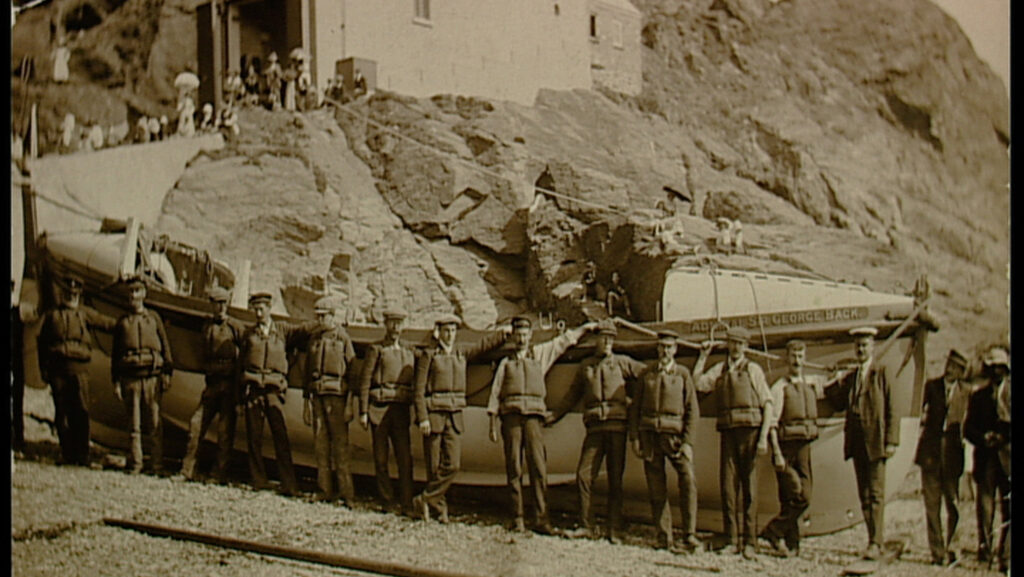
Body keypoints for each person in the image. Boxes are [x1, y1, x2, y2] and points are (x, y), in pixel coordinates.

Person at [487, 316, 596, 534]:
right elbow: (495, 394)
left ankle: (541, 519)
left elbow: (562, 343)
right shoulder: (505, 363)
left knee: (538, 467)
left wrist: (584, 328)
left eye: (525, 334)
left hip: (534, 419)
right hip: (511, 419)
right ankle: (517, 517)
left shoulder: (539, 355)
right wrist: (492, 423)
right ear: (514, 336)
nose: (522, 338)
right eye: (518, 334)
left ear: (530, 336)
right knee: (514, 468)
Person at [548, 322, 643, 542]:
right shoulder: (586, 366)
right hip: (594, 428)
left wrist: (634, 403)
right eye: (604, 339)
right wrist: (554, 416)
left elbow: (649, 375)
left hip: (617, 427)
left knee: (615, 480)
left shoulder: (622, 362)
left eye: (611, 339)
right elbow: (572, 395)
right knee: (583, 475)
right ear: (597, 340)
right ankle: (586, 525)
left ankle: (614, 528)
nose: (607, 343)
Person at [411, 314, 508, 523]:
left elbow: (482, 346)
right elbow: (418, 390)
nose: (450, 335)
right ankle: (438, 509)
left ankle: (425, 499)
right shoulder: (429, 355)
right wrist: (422, 418)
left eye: (453, 331)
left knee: (453, 465)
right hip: (434, 415)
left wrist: (503, 334)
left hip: (454, 416)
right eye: (446, 330)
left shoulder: (461, 352)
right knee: (434, 466)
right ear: (439, 332)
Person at [693, 325, 773, 559]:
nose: (736, 347)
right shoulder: (720, 369)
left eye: (740, 343)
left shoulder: (753, 370)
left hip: (750, 433)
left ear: (746, 346)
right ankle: (732, 539)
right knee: (728, 487)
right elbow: (698, 383)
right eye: (732, 343)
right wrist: (702, 356)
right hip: (729, 433)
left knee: (750, 488)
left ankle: (750, 542)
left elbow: (768, 403)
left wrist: (763, 437)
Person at [823, 326, 898, 560]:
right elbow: (837, 402)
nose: (861, 349)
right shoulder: (853, 376)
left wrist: (892, 441)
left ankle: (877, 543)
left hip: (875, 442)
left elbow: (892, 408)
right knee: (864, 494)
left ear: (872, 347)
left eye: (864, 345)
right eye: (858, 346)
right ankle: (872, 540)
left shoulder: (881, 372)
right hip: (857, 443)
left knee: (876, 493)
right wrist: (832, 380)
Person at [239, 291, 320, 496]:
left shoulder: (281, 331)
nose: (258, 313)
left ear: (269, 309)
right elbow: (241, 364)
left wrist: (321, 320)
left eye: (262, 309)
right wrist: (241, 395)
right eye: (255, 309)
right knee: (254, 438)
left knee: (281, 438)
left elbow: (302, 329)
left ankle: (288, 484)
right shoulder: (249, 335)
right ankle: (259, 480)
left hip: (274, 391)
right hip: (253, 391)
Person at [629, 329, 701, 552]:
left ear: (675, 349)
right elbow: (635, 409)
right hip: (650, 436)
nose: (665, 351)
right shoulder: (647, 375)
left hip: (675, 438)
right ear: (657, 349)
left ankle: (689, 534)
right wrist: (635, 438)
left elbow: (692, 411)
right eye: (662, 347)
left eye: (669, 347)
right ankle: (664, 536)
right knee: (656, 487)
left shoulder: (682, 375)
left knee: (688, 480)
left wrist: (688, 443)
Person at [760, 340, 831, 557]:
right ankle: (789, 542)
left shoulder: (811, 384)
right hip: (786, 448)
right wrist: (777, 454)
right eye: (793, 356)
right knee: (792, 495)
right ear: (786, 358)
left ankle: (776, 532)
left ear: (805, 358)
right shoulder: (780, 387)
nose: (797, 361)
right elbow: (772, 423)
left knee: (804, 496)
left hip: (804, 447)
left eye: (801, 356)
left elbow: (833, 384)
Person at [36, 274, 116, 465]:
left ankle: (82, 454)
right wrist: (43, 370)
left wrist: (127, 322)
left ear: (79, 295)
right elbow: (42, 343)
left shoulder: (85, 314)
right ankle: (67, 453)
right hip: (57, 370)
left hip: (79, 370)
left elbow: (107, 323)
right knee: (62, 412)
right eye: (68, 293)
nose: (71, 296)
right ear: (63, 294)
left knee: (81, 411)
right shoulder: (52, 316)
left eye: (75, 293)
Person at [180, 287, 245, 483]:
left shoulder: (235, 327)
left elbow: (245, 354)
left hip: (228, 386)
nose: (220, 308)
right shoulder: (207, 326)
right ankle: (187, 471)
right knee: (195, 425)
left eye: (223, 303)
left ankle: (219, 474)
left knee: (225, 433)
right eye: (216, 304)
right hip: (211, 385)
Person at [111, 278, 174, 474]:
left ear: (144, 293)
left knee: (155, 424)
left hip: (152, 379)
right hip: (130, 380)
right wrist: (116, 382)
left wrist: (167, 373)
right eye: (131, 292)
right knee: (134, 425)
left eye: (138, 291)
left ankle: (156, 464)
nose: (134, 296)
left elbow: (166, 348)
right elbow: (115, 355)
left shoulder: (154, 318)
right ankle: (136, 463)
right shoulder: (122, 323)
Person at [914, 348, 971, 566]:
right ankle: (937, 552)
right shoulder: (932, 387)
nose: (950, 370)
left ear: (961, 372)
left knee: (954, 505)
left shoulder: (966, 392)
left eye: (956, 368)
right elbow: (918, 411)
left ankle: (953, 548)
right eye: (949, 365)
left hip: (954, 456)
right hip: (930, 455)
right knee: (932, 506)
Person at [358, 309, 417, 515]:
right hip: (379, 409)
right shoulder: (376, 349)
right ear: (386, 325)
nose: (395, 328)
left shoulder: (409, 350)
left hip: (400, 410)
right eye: (392, 323)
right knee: (381, 459)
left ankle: (407, 503)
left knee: (404, 459)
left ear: (403, 326)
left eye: (399, 324)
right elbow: (365, 379)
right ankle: (387, 500)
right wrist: (363, 410)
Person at [302, 295, 357, 503]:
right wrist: (305, 403)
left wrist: (350, 404)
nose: (319, 320)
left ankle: (346, 494)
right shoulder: (314, 339)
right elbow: (308, 372)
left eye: (323, 316)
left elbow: (353, 373)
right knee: (321, 446)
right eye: (317, 316)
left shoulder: (343, 338)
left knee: (340, 448)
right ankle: (324, 490)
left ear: (332, 316)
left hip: (337, 400)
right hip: (317, 398)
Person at [964, 346, 1011, 572]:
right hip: (985, 458)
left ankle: (1005, 552)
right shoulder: (978, 396)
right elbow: (967, 428)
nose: (997, 372)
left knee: (1008, 506)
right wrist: (983, 438)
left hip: (1007, 458)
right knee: (985, 507)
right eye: (993, 368)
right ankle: (985, 550)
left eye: (1000, 368)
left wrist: (1002, 437)